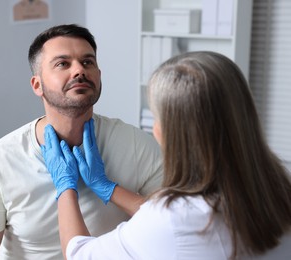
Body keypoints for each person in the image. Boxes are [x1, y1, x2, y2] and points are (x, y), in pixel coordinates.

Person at [42, 51, 291, 259]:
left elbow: (80, 255)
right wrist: (106, 187)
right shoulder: (279, 188)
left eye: (157, 116)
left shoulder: (173, 219)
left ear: (171, 132)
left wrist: (65, 188)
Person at [0, 24, 162, 259]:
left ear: (99, 75)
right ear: (37, 85)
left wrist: (108, 188)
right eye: (62, 64)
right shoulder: (0, 160)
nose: (79, 70)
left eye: (88, 62)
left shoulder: (136, 144)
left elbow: (173, 225)